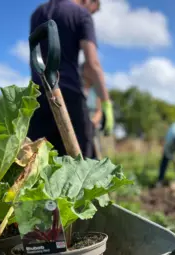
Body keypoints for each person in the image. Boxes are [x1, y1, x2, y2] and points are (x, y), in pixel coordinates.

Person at [27, 0, 114, 158]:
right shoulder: (81, 14)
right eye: (93, 11)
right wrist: (106, 102)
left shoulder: (37, 13)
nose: (92, 14)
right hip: (69, 95)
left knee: (37, 161)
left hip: (37, 96)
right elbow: (91, 63)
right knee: (82, 165)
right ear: (89, 1)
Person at [80, 62, 103, 159]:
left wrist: (92, 123)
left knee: (95, 153)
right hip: (80, 124)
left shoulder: (95, 91)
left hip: (92, 125)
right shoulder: (78, 88)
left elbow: (99, 111)